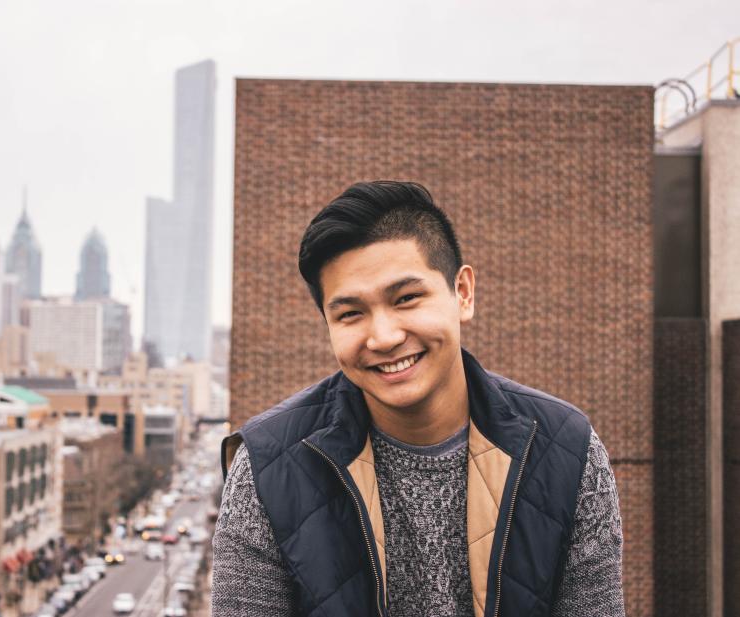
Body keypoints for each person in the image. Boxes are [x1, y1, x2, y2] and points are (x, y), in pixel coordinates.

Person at [212, 181, 624, 617]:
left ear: (462, 293)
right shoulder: (267, 467)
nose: (384, 337)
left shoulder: (566, 450)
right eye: (351, 313)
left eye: (406, 298)